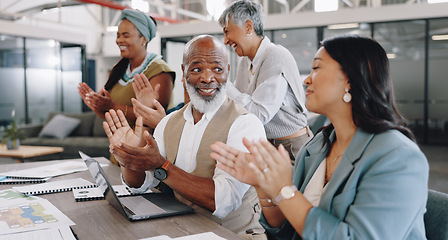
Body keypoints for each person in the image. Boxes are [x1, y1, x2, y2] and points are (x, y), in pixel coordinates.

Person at [210, 35, 429, 239]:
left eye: (316, 68)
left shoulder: (399, 158)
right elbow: (287, 229)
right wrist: (263, 186)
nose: (306, 81)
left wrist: (284, 189)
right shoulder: (317, 146)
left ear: (350, 80)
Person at [103, 35, 267, 238]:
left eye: (217, 69)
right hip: (180, 230)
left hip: (234, 234)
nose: (208, 78)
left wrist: (162, 166)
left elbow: (223, 201)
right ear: (184, 72)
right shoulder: (169, 122)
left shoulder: (245, 124)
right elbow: (141, 184)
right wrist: (131, 159)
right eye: (197, 69)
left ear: (228, 72)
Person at [218, 0, 311, 161]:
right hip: (266, 147)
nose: (225, 40)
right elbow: (239, 110)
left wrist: (224, 83)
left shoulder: (275, 56)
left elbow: (258, 115)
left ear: (248, 27)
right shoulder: (245, 62)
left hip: (291, 148)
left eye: (227, 31)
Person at [77, 8, 175, 124]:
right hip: (119, 140)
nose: (119, 40)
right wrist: (96, 104)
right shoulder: (118, 69)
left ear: (143, 39)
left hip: (147, 141)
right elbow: (104, 114)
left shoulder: (160, 71)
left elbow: (153, 116)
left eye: (125, 35)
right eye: (118, 35)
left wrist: (112, 105)